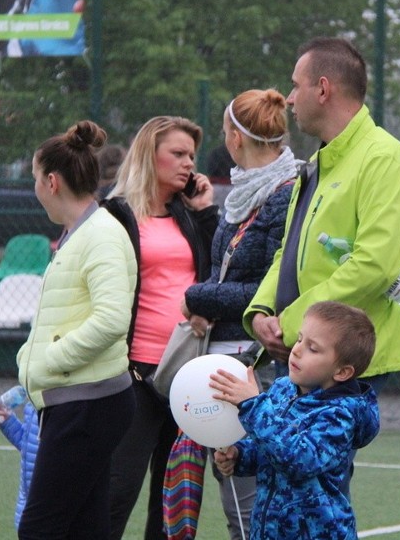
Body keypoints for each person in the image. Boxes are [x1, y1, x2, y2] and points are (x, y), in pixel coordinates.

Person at [244, 36, 400, 396]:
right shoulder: (317, 163)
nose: (289, 99)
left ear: (323, 89)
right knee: (286, 452)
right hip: (303, 346)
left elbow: (375, 265)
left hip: (340, 358)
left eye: (296, 86)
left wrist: (295, 324)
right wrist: (261, 311)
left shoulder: (382, 157)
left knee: (312, 453)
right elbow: (288, 251)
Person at [174, 88, 301, 539]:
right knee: (238, 507)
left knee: (251, 507)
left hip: (256, 363)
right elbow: (225, 271)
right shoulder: (240, 195)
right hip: (223, 356)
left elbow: (271, 287)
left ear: (234, 137)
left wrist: (198, 298)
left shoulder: (288, 193)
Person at [16, 120, 137, 538]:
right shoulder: (79, 233)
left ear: (51, 181)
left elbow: (111, 318)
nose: (34, 187)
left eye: (35, 178)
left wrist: (48, 362)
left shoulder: (100, 235)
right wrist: (28, 358)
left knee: (39, 529)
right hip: (82, 401)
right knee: (86, 528)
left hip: (87, 404)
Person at [102, 116, 219, 540]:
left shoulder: (187, 215)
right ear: (149, 155)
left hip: (186, 374)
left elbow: (217, 266)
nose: (189, 163)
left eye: (191, 155)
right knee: (117, 489)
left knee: (174, 504)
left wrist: (205, 211)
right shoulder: (115, 214)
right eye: (178, 154)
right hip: (133, 374)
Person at [212, 301, 380, 540]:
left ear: (342, 372)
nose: (297, 350)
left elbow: (298, 459)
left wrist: (252, 404)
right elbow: (269, 448)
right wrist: (240, 456)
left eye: (313, 348)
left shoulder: (339, 415)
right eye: (300, 339)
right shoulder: (283, 389)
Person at [0, 400, 40, 531]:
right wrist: (8, 422)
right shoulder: (32, 406)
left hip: (52, 502)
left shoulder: (61, 409)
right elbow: (27, 445)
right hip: (29, 500)